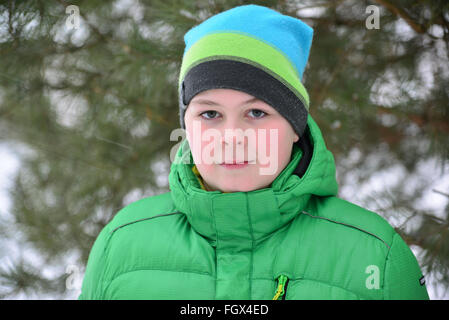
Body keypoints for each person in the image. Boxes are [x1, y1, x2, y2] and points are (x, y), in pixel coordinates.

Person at [78, 4, 429, 300]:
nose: (232, 137)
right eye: (210, 113)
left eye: (257, 113)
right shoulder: (121, 244)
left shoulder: (375, 256)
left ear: (295, 127)